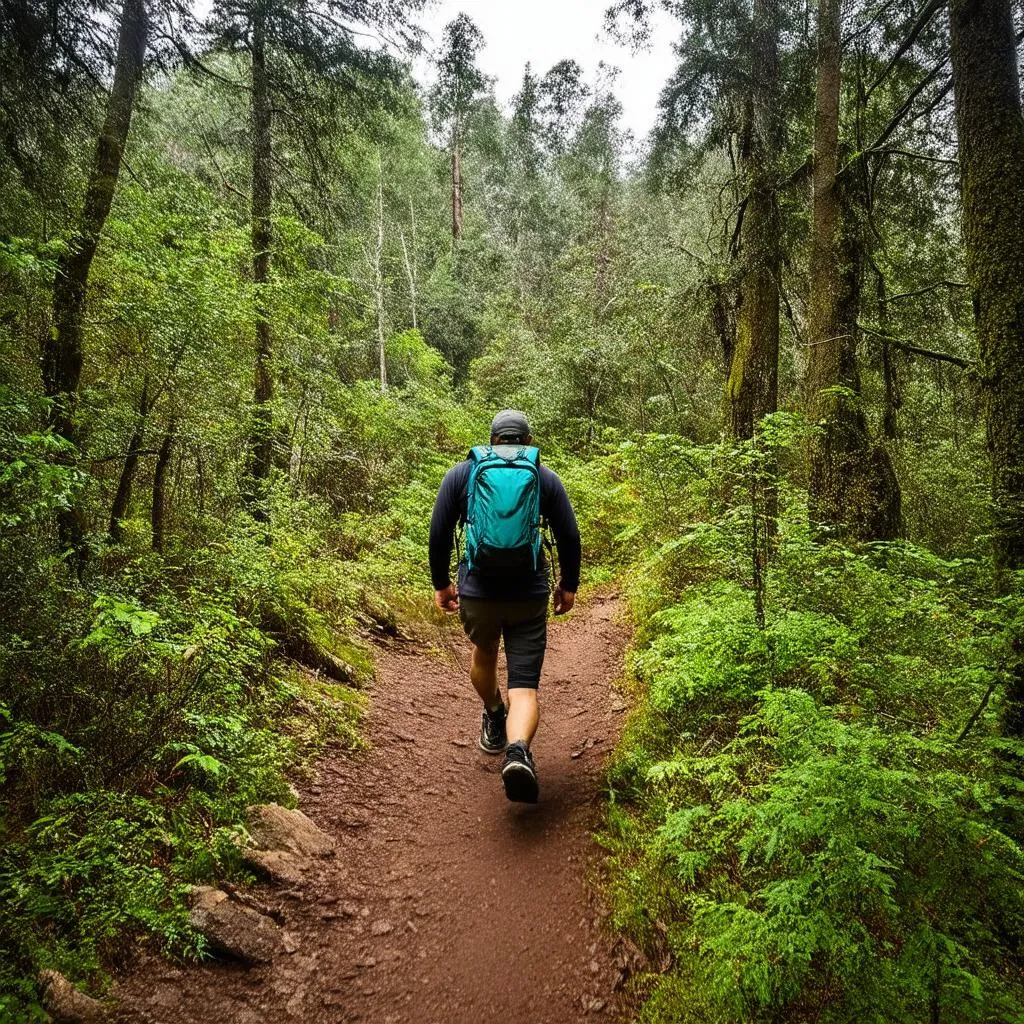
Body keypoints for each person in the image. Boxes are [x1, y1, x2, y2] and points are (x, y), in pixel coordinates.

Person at [429, 409, 582, 803]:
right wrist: (568, 585)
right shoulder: (544, 478)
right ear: (527, 441)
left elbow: (439, 531)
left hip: (478, 592)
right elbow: (568, 534)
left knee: (483, 653)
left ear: (492, 439)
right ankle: (518, 752)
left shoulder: (462, 475)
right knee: (525, 687)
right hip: (528, 593)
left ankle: (494, 713)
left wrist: (442, 585)